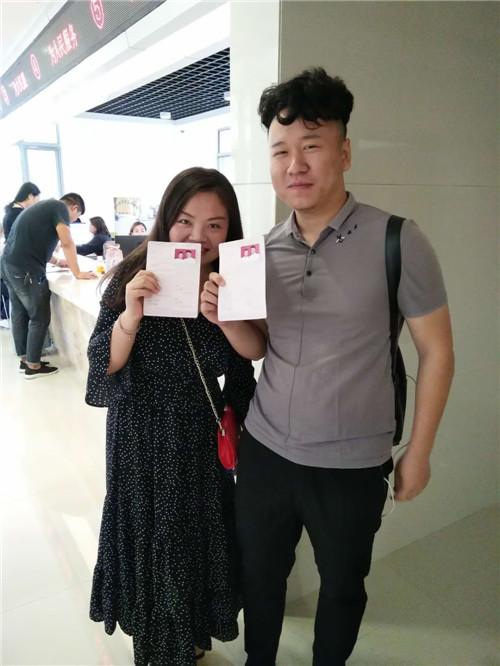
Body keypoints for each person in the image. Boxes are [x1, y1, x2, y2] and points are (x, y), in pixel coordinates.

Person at [200, 68, 454, 665]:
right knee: (259, 577)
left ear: (344, 152)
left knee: (341, 587)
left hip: (351, 463)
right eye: (280, 151)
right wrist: (224, 318)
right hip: (266, 452)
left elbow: (437, 351)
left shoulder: (398, 240)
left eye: (311, 146)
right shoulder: (261, 250)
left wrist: (419, 452)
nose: (295, 165)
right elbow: (260, 347)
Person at [86, 167, 258, 666]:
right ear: (166, 220)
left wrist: (224, 317)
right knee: (151, 533)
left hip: (199, 433)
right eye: (185, 221)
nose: (197, 237)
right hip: (139, 432)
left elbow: (248, 359)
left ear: (229, 230)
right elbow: (102, 365)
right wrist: (131, 315)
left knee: (195, 532)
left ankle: (193, 631)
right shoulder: (134, 274)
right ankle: (158, 644)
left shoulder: (232, 280)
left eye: (214, 225)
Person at [1, 193, 96, 379]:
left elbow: (31, 243)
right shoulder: (59, 208)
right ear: (74, 208)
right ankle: (33, 366)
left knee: (19, 313)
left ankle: (25, 359)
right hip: (26, 270)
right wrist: (77, 272)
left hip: (8, 265)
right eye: (76, 217)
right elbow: (67, 242)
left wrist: (56, 261)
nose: (72, 221)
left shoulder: (43, 207)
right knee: (40, 316)